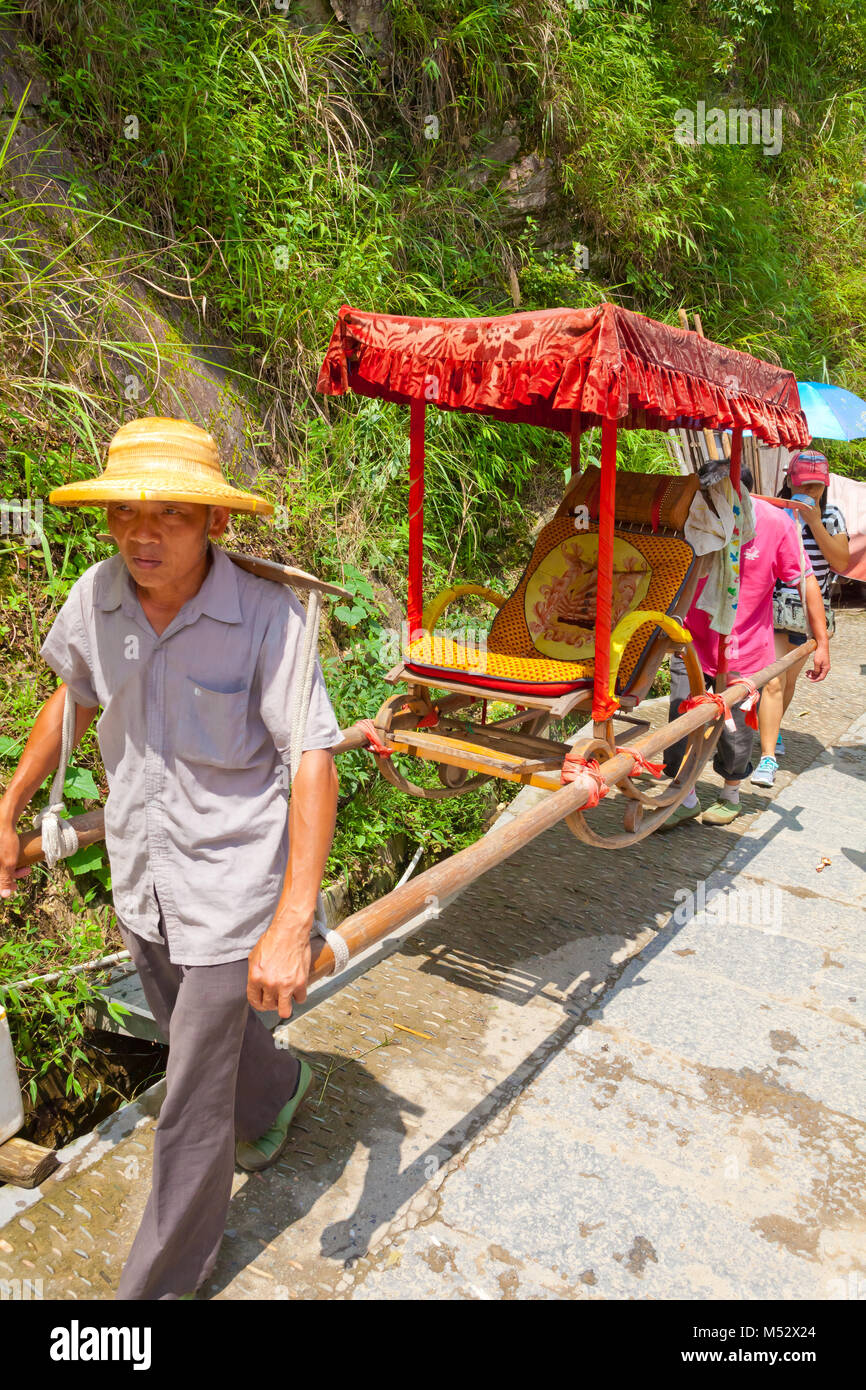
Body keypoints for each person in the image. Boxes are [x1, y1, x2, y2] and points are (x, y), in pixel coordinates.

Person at [0, 417, 341, 1300]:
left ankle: (151, 1297)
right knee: (206, 1042)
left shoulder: (270, 616)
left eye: (171, 517)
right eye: (126, 515)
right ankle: (278, 1088)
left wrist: (293, 920)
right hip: (142, 879)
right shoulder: (99, 598)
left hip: (233, 888)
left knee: (188, 1108)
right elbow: (72, 693)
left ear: (215, 523)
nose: (142, 535)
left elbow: (311, 756)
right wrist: (8, 807)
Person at [662, 465, 830, 829]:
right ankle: (683, 794)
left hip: (744, 646)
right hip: (691, 639)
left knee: (734, 729)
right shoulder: (695, 514)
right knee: (680, 715)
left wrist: (822, 643)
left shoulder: (773, 522)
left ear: (742, 495)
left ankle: (731, 791)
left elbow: (805, 580)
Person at [753, 450, 849, 785]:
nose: (810, 493)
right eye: (805, 485)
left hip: (810, 614)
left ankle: (772, 727)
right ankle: (766, 759)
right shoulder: (772, 511)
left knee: (788, 681)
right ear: (790, 481)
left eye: (817, 488)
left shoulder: (832, 516)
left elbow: (840, 563)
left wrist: (814, 523)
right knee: (774, 680)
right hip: (772, 607)